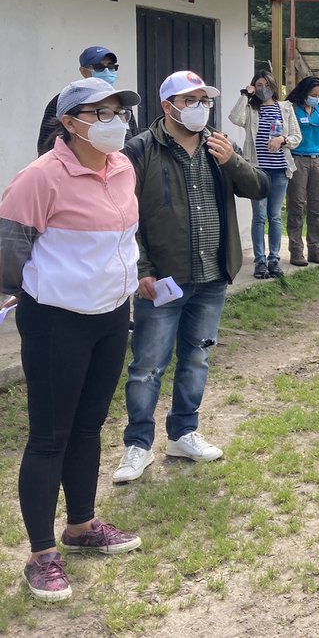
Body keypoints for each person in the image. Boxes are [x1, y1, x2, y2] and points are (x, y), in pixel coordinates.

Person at [1, 78, 144, 601]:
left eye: (117, 111)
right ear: (69, 122)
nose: (114, 120)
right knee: (49, 436)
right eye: (99, 112)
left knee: (89, 425)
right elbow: (8, 251)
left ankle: (81, 527)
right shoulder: (40, 178)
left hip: (110, 315)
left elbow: (125, 236)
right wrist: (22, 293)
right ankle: (41, 555)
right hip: (57, 321)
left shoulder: (123, 166)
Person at [112, 71, 268, 484]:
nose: (201, 108)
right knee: (147, 365)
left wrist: (231, 160)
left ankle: (183, 433)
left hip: (211, 276)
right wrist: (142, 269)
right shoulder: (139, 150)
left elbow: (259, 188)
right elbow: (124, 216)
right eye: (191, 100)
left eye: (205, 100)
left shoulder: (219, 144)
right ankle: (138, 444)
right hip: (163, 279)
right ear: (168, 107)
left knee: (197, 358)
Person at [229, 70, 301, 278]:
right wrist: (245, 94)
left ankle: (274, 260)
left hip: (280, 169)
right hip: (257, 170)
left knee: (275, 216)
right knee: (259, 217)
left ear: (273, 85)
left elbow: (297, 136)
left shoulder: (285, 108)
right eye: (258, 85)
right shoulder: (251, 109)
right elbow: (234, 117)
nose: (262, 89)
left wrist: (282, 140)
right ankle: (260, 261)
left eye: (265, 84)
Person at [36, 46, 139, 156]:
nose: (107, 71)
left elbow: (135, 142)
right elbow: (46, 145)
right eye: (99, 67)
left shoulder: (122, 101)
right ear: (84, 71)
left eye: (111, 66)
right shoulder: (66, 100)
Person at [285, 75, 319, 267]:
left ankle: (315, 248)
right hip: (298, 159)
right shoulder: (292, 109)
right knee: (296, 206)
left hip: (317, 159)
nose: (317, 98)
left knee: (316, 206)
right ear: (304, 93)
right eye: (313, 94)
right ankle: (296, 250)